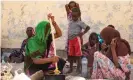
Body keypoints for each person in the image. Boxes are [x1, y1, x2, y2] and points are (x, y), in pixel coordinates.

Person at [67, 7, 90, 73]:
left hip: (76, 40)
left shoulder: (80, 22)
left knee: (78, 55)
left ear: (79, 15)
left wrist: (82, 33)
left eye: (75, 16)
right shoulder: (70, 22)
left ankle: (78, 69)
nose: (73, 17)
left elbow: (88, 27)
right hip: (70, 41)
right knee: (70, 55)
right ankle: (71, 69)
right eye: (72, 16)